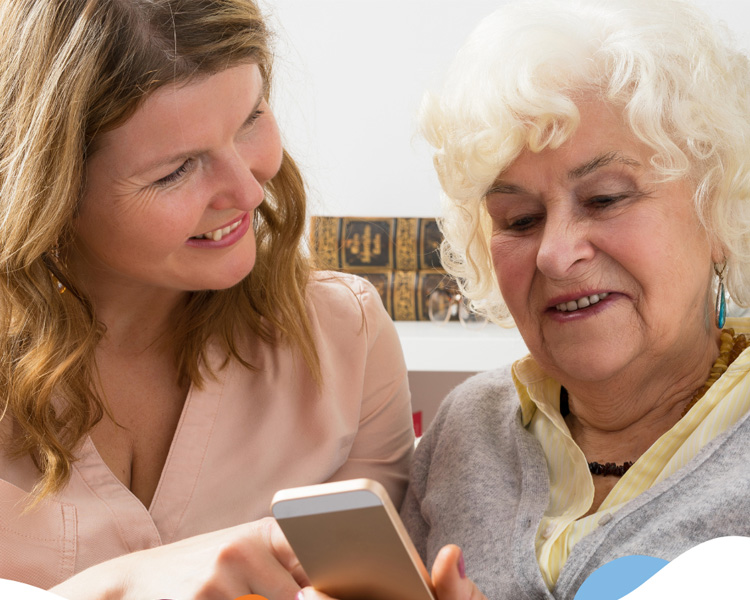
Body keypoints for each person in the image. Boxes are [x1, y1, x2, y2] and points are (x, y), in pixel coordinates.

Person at [306, 1, 750, 599]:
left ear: (719, 205)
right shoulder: (467, 426)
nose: (554, 253)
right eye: (519, 218)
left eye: (606, 198)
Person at [0, 1, 414, 598]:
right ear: (51, 188)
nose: (248, 189)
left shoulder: (346, 338)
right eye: (175, 171)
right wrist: (123, 586)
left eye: (251, 118)